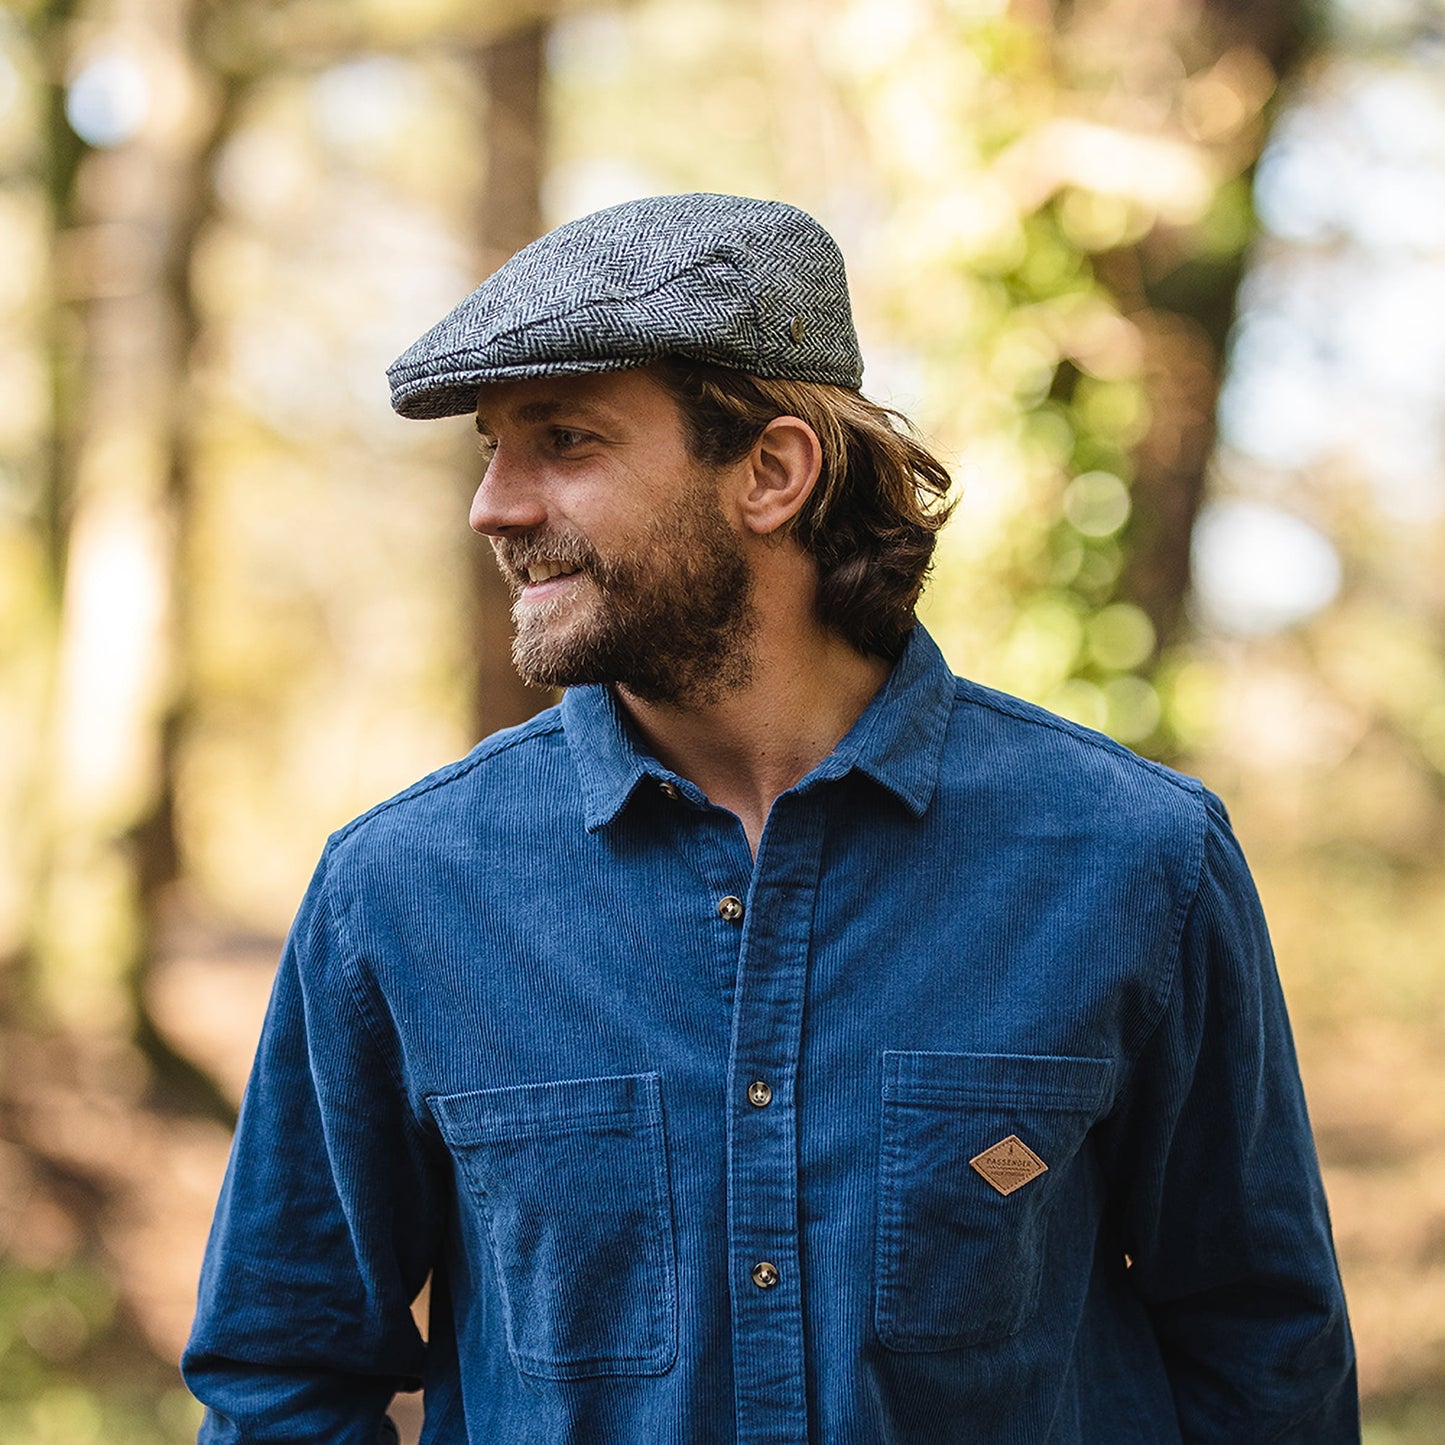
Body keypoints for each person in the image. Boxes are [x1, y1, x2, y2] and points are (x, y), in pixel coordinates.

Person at [182, 192, 1358, 1443]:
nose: (494, 505)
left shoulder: (1134, 860)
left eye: (564, 440)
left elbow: (1261, 1356)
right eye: (491, 447)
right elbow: (282, 1374)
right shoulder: (400, 889)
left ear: (772, 471)